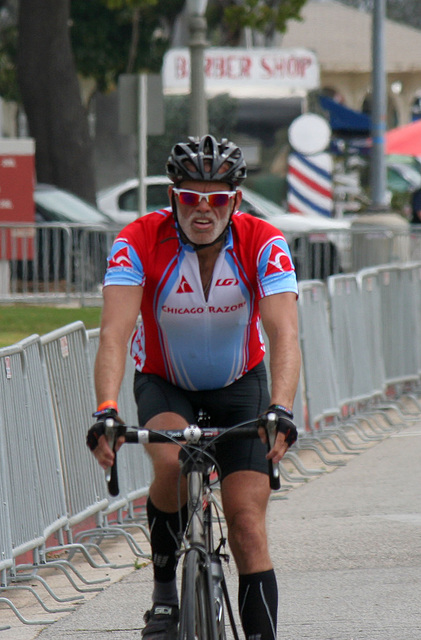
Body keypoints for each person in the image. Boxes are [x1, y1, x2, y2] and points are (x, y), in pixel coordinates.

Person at [87, 134, 301, 640]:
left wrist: (281, 408)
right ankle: (164, 593)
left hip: (239, 384)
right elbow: (115, 333)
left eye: (217, 198)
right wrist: (107, 410)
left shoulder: (263, 243)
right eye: (190, 197)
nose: (202, 209)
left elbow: (285, 334)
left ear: (236, 202)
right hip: (167, 384)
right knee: (170, 462)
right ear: (172, 198)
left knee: (247, 524)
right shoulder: (137, 241)